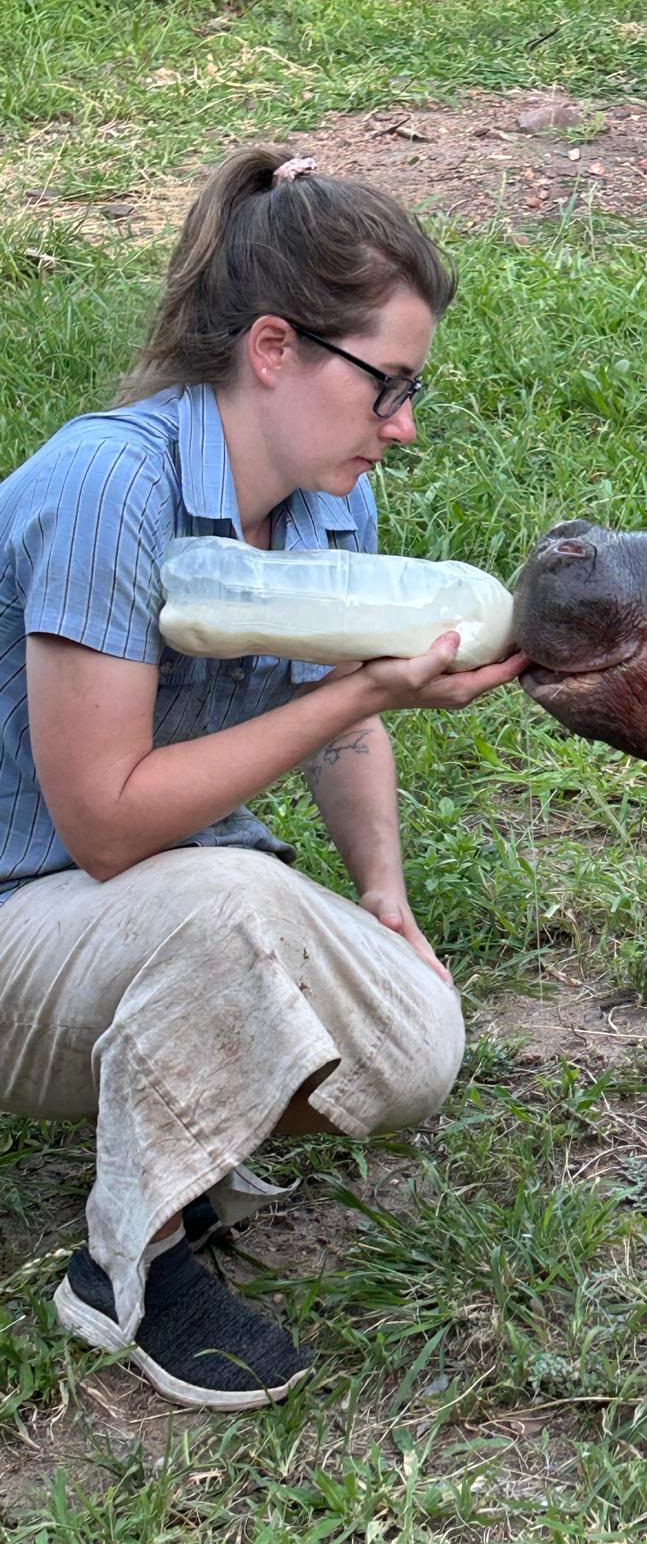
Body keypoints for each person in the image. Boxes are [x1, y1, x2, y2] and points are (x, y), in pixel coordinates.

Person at [0, 146, 527, 1411]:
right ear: (277, 349)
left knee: (413, 1042)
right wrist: (362, 688)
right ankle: (131, 1263)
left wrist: (384, 894)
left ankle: (190, 1111)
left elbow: (343, 730)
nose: (402, 428)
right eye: (388, 386)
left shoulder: (325, 503)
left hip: (147, 908)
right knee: (229, 903)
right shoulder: (108, 488)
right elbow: (108, 824)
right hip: (33, 899)